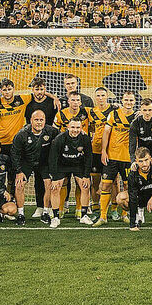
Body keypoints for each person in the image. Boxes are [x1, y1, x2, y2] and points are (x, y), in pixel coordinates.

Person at [11, 109, 58, 226]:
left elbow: (63, 138)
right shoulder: (21, 134)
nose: (39, 122)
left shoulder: (52, 132)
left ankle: (45, 213)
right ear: (31, 121)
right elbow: (15, 153)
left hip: (44, 163)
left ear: (45, 121)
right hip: (26, 162)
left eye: (41, 120)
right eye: (36, 120)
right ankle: (21, 214)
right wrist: (18, 171)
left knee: (49, 184)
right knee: (19, 184)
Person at [96, 91, 136, 225]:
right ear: (122, 101)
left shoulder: (137, 117)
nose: (128, 103)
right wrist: (103, 151)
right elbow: (106, 132)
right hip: (112, 157)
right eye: (126, 100)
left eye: (131, 100)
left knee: (127, 186)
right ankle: (103, 216)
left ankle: (125, 214)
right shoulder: (113, 114)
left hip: (128, 159)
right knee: (106, 185)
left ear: (134, 102)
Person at [48, 118, 94, 228]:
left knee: (85, 187)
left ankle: (83, 215)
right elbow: (52, 158)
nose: (75, 130)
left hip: (78, 165)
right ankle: (55, 217)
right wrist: (54, 178)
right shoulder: (59, 139)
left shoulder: (85, 139)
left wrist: (87, 176)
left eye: (78, 127)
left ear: (81, 128)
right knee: (55, 188)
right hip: (62, 165)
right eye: (73, 127)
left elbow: (89, 158)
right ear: (68, 127)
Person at [55, 90, 94, 218]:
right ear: (68, 101)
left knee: (81, 182)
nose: (75, 103)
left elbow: (99, 116)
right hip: (64, 153)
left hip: (81, 152)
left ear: (81, 102)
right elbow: (55, 131)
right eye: (73, 100)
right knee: (64, 181)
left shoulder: (87, 112)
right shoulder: (61, 114)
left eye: (78, 100)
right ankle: (60, 209)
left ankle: (79, 209)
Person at [87, 86, 118, 217]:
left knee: (114, 181)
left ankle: (114, 209)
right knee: (95, 182)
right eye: (98, 96)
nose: (100, 98)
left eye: (103, 96)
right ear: (95, 97)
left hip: (111, 151)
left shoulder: (115, 109)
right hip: (95, 151)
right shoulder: (90, 112)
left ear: (107, 96)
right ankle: (95, 208)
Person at [128, 98, 152, 162]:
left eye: (150, 110)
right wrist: (133, 161)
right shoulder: (135, 123)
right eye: (145, 110)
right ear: (141, 110)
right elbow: (132, 144)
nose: (147, 113)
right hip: (143, 157)